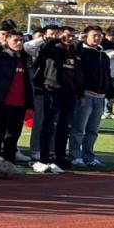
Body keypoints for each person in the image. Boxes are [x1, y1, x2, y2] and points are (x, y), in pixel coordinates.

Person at [0, 30, 34, 170]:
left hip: (20, 103)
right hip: (1, 101)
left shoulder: (26, 58)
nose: (19, 43)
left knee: (13, 136)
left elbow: (29, 81)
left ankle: (10, 163)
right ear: (7, 41)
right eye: (15, 40)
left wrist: (30, 103)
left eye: (21, 40)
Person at [31, 27, 82, 174]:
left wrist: (80, 93)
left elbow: (78, 72)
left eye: (72, 36)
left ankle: (60, 157)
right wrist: (56, 40)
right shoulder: (51, 50)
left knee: (64, 127)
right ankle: (44, 158)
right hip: (53, 90)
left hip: (69, 92)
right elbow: (42, 52)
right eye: (66, 36)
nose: (70, 39)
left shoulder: (74, 51)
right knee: (48, 125)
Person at [69, 26, 113, 168]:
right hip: (86, 94)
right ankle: (75, 156)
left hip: (100, 96)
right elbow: (78, 75)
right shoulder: (81, 52)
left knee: (93, 130)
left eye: (100, 35)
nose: (98, 38)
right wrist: (80, 94)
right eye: (94, 35)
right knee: (78, 128)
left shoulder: (103, 56)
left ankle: (89, 156)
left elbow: (107, 75)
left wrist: (110, 94)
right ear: (86, 36)